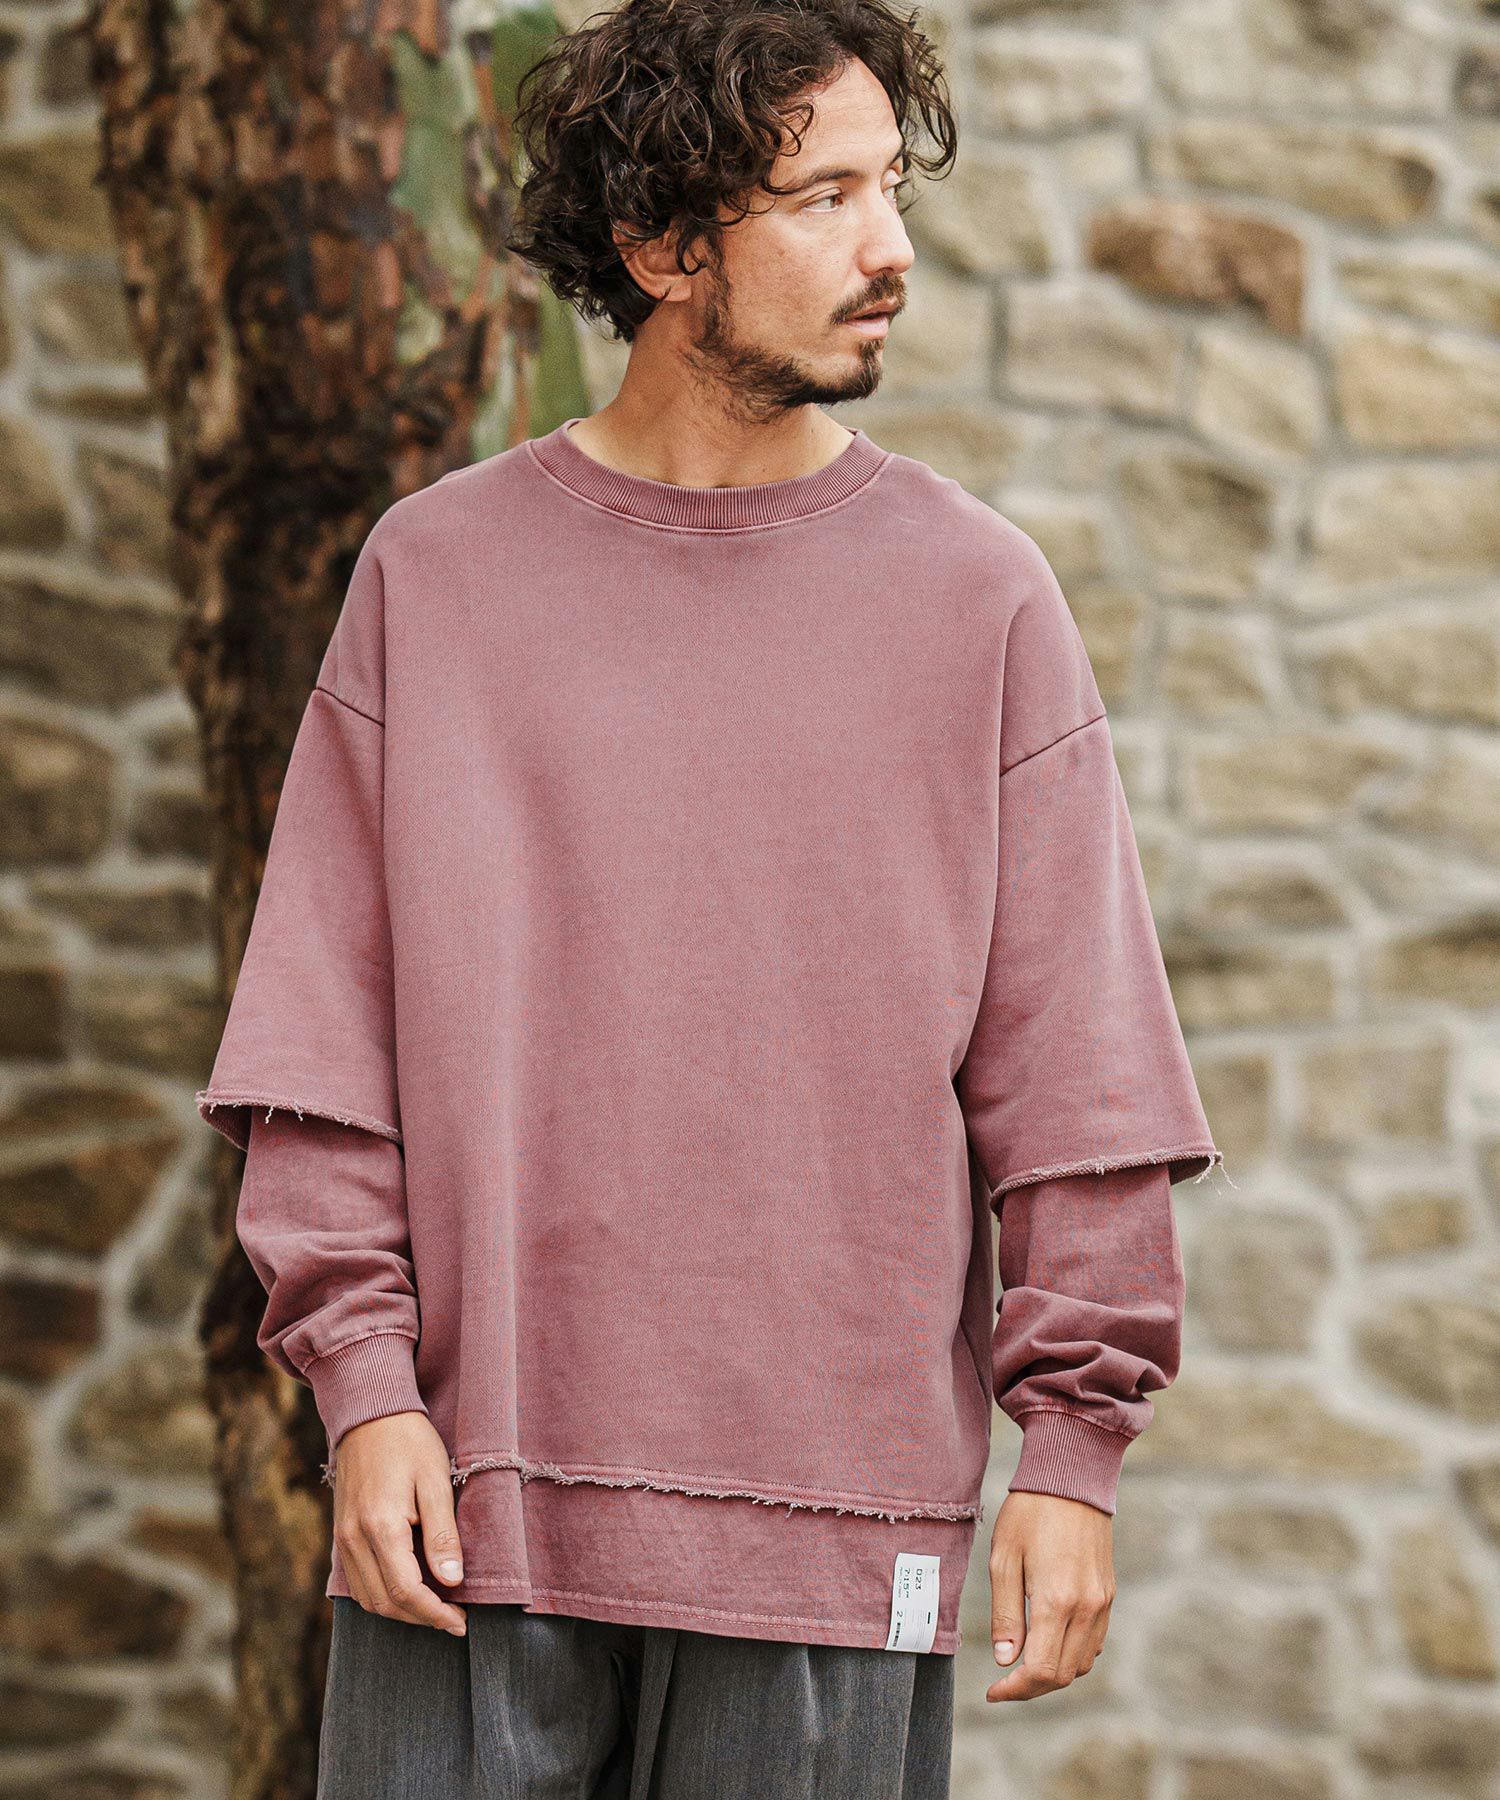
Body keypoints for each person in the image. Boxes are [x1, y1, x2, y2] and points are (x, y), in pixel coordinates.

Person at [198, 0, 1222, 1792]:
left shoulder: (981, 601)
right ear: (665, 247)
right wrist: (363, 1397)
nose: (891, 249)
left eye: (891, 189)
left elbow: (1081, 1077)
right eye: (825, 200)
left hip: (833, 1526)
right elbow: (324, 1055)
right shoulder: (437, 582)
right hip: (471, 1519)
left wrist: (1074, 1454)